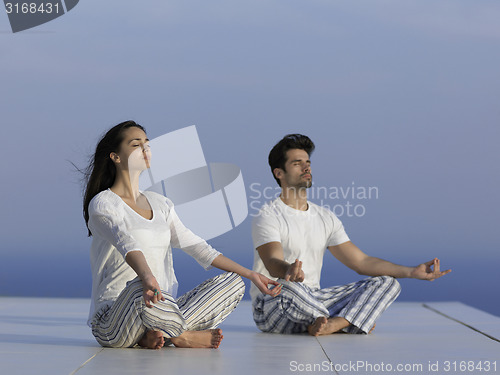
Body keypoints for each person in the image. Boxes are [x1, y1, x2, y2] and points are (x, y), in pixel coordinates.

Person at [83, 121, 281, 349]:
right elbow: (125, 241)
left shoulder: (161, 204)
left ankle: (156, 334)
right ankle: (180, 336)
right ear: (116, 157)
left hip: (158, 307)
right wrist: (147, 277)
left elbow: (199, 247)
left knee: (233, 282)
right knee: (139, 286)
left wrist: (252, 274)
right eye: (135, 145)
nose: (145, 149)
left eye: (147, 144)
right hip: (114, 318)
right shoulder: (103, 203)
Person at [251, 134, 451, 336]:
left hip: (314, 301)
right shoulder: (268, 216)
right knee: (288, 288)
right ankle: (350, 321)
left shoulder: (325, 217)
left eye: (308, 162)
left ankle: (332, 324)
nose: (306, 168)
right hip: (274, 303)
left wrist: (411, 272)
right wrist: (288, 269)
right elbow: (272, 261)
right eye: (297, 163)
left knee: (387, 282)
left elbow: (361, 262)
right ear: (279, 173)